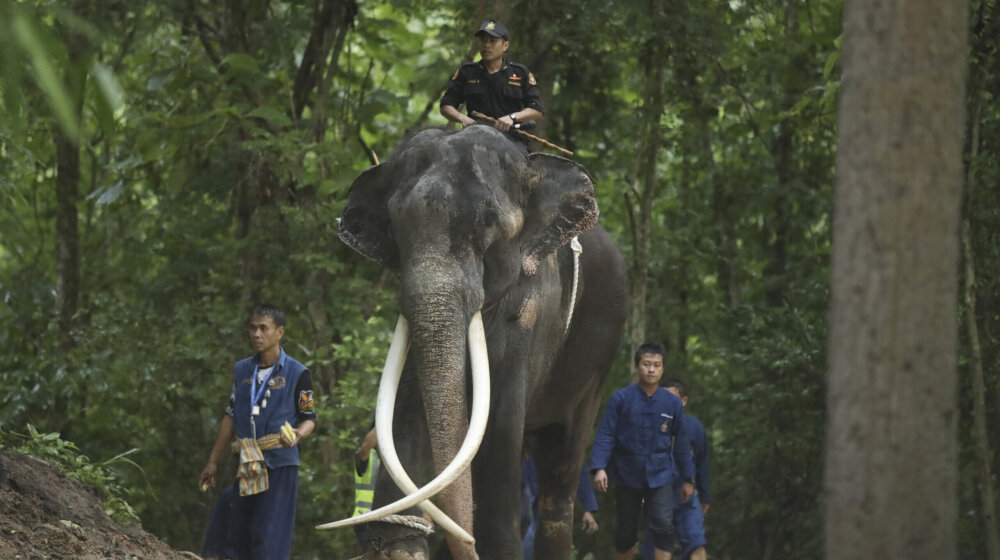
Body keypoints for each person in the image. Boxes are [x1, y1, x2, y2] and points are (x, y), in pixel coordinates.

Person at [199, 305, 316, 560]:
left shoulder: (298, 373)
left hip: (280, 463)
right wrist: (212, 462)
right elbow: (230, 416)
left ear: (280, 332)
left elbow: (309, 418)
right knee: (237, 533)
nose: (256, 334)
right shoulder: (242, 371)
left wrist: (298, 434)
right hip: (247, 462)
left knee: (269, 535)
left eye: (264, 328)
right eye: (253, 328)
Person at [590, 342, 695, 560]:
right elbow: (606, 434)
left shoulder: (672, 404)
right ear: (637, 366)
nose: (651, 369)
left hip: (661, 474)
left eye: (657, 365)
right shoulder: (621, 399)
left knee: (664, 527)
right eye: (646, 364)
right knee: (626, 533)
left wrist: (688, 479)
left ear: (662, 369)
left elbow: (682, 442)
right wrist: (599, 467)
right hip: (627, 474)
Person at [440, 19, 544, 153]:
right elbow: (446, 106)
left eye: (492, 41)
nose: (486, 45)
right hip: (473, 139)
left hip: (512, 141)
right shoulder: (467, 72)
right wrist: (462, 118)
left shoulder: (520, 72)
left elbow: (536, 109)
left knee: (529, 171)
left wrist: (512, 118)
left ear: (505, 45)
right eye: (483, 41)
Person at [639, 379, 710, 560]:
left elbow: (701, 462)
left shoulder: (694, 427)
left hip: (686, 496)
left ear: (683, 401)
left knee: (697, 543)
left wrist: (705, 494)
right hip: (657, 494)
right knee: (658, 547)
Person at [520, 457, 599, 560]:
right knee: (528, 535)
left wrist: (588, 507)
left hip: (545, 493)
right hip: (521, 486)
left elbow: (576, 463)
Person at [352, 426, 379, 549]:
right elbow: (366, 446)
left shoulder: (392, 457)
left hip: (384, 518)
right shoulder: (367, 456)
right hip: (364, 518)